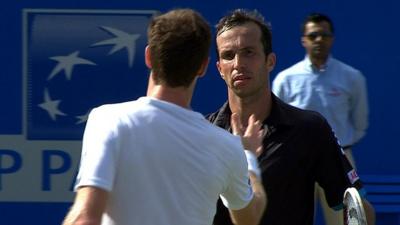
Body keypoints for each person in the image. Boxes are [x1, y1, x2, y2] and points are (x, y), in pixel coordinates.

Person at [62, 9, 267, 225]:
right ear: (203, 67)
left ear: (149, 56)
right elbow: (248, 219)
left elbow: (85, 218)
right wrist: (249, 157)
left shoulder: (108, 120)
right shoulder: (228, 147)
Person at [207, 9, 375, 225]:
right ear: (220, 69)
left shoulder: (311, 129)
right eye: (228, 55)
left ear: (270, 61)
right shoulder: (204, 134)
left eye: (249, 52)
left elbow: (360, 211)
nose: (238, 63)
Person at [272, 13, 369, 225]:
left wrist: (340, 144)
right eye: (313, 35)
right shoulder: (286, 80)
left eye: (324, 35)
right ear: (303, 40)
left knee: (342, 220)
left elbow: (360, 123)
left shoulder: (351, 77)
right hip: (296, 160)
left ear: (332, 38)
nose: (319, 40)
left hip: (339, 159)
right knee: (292, 217)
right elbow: (275, 122)